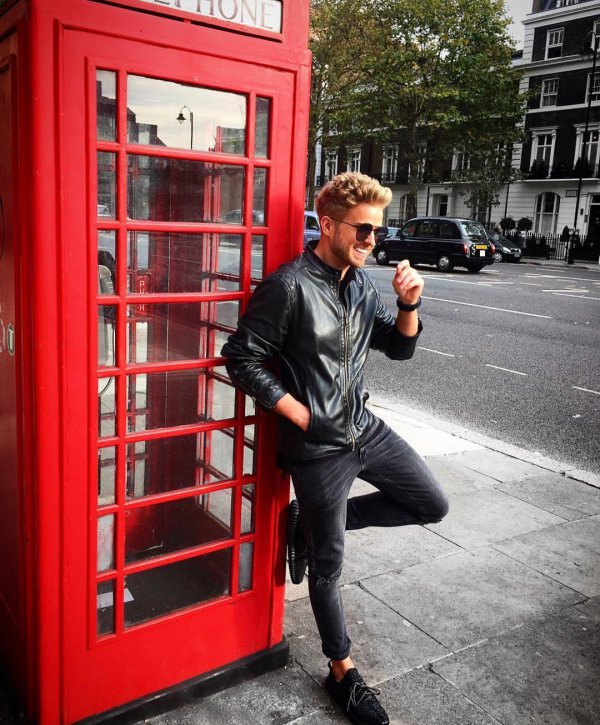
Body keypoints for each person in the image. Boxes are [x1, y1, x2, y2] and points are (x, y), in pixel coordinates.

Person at [222, 172, 449, 725]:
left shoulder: (360, 285)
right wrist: (298, 412)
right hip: (319, 448)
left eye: (378, 231)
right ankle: (341, 671)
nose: (373, 241)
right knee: (329, 567)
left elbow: (398, 349)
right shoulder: (290, 286)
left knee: (431, 504)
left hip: (362, 428)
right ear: (327, 225)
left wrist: (408, 305)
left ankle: (312, 522)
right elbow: (239, 356)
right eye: (364, 230)